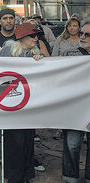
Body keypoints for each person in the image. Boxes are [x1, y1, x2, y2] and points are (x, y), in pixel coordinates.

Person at [0, 22, 44, 183]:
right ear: (23, 37)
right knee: (13, 140)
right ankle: (14, 176)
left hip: (29, 104)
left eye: (37, 35)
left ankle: (26, 174)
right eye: (33, 35)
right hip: (11, 101)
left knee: (27, 140)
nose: (36, 38)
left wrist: (40, 61)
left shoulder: (36, 53)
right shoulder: (7, 51)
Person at [60, 18, 90, 183]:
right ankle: (70, 178)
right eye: (81, 33)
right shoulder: (71, 55)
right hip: (75, 108)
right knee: (72, 144)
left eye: (87, 34)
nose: (82, 37)